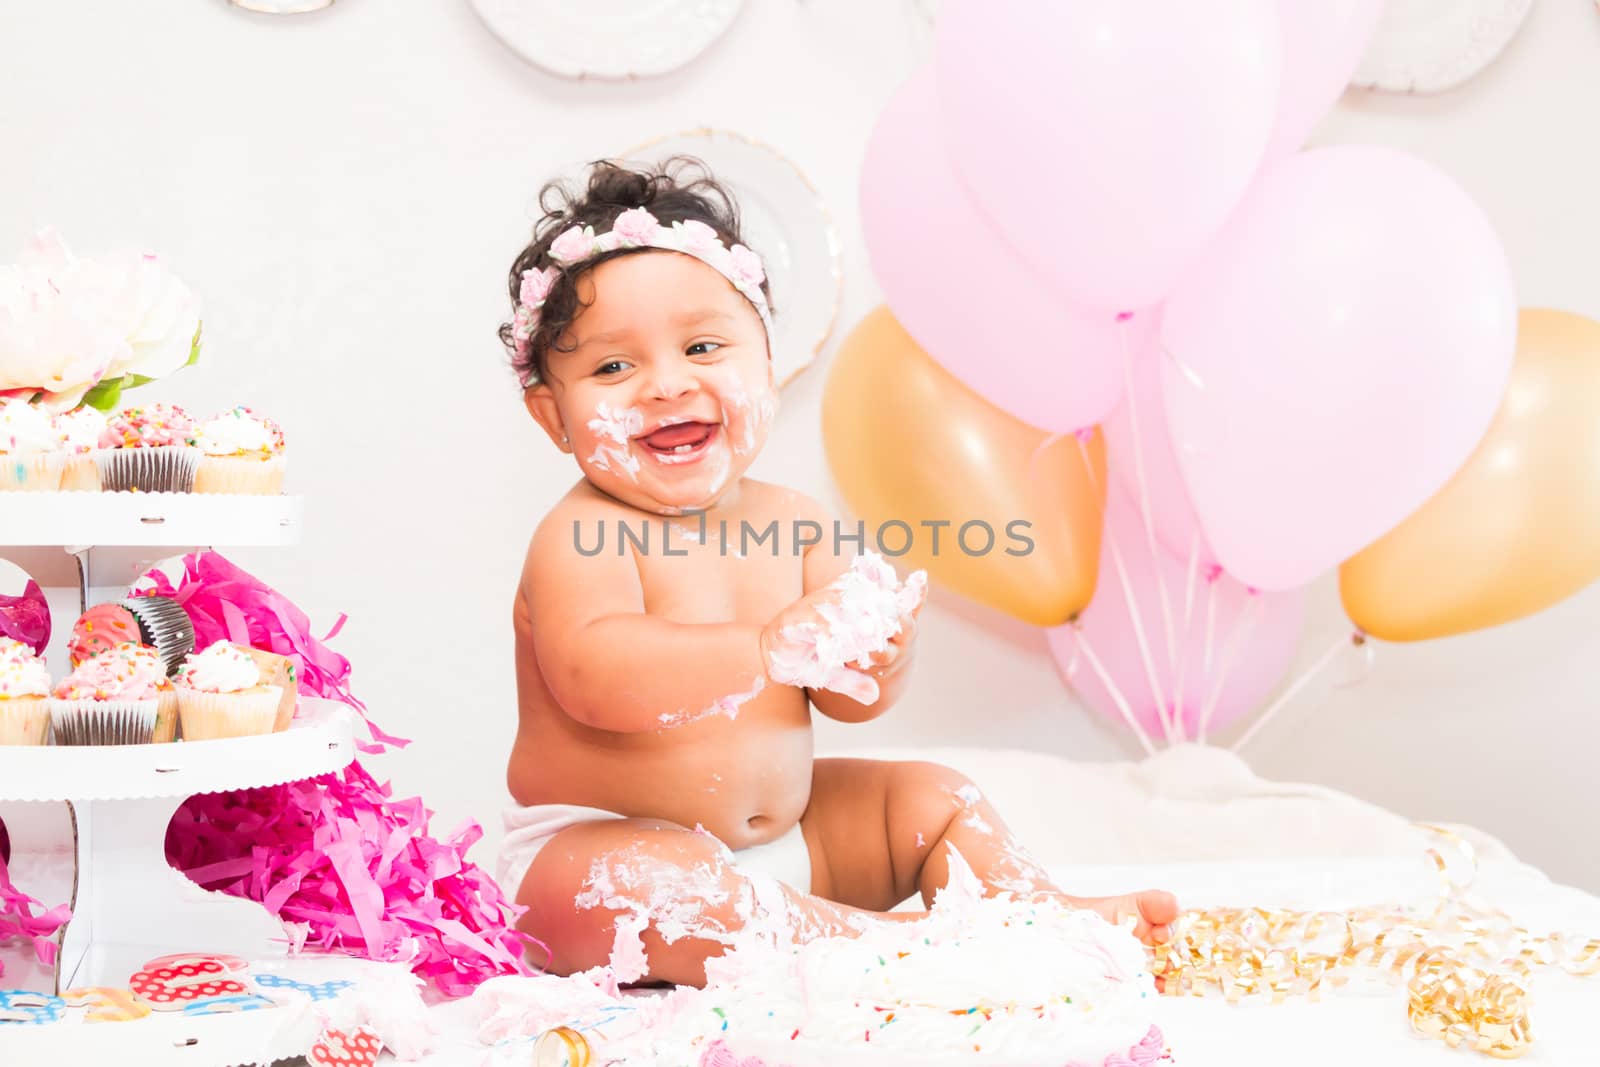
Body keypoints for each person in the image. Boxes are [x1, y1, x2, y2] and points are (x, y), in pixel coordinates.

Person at [496, 158, 1177, 986]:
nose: (668, 382)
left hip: (794, 843)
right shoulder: (582, 533)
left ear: (768, 364)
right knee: (653, 889)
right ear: (551, 415)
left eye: (704, 346)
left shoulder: (797, 522)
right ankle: (903, 953)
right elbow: (594, 674)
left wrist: (876, 659)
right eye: (613, 368)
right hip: (601, 851)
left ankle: (1031, 911)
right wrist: (768, 647)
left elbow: (849, 701)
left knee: (935, 795)